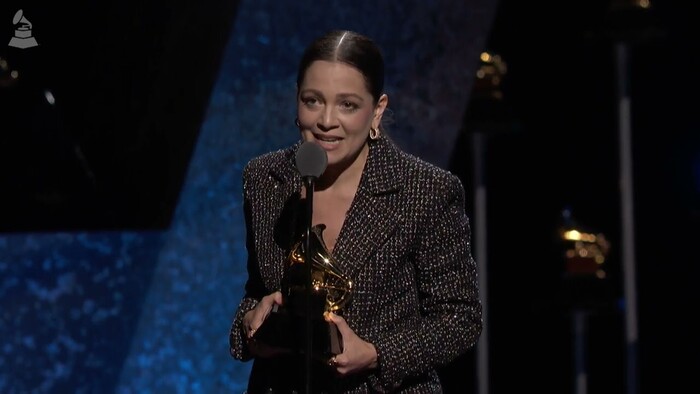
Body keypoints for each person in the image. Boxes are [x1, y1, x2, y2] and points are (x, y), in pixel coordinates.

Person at [229, 29, 482, 393]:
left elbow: (460, 319)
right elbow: (257, 289)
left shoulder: (426, 191)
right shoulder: (265, 179)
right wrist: (251, 324)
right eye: (313, 100)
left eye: (347, 105)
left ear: (377, 110)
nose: (326, 120)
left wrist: (377, 353)